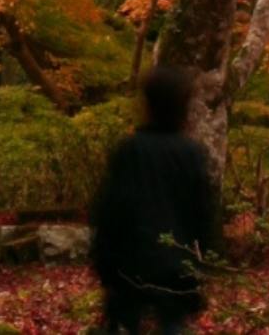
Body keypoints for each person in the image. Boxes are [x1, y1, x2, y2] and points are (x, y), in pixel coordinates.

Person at [89, 66, 217, 335]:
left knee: (125, 326)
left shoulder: (130, 150)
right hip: (176, 265)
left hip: (130, 264)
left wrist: (103, 261)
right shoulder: (191, 154)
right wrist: (203, 263)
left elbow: (110, 211)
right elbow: (203, 214)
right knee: (172, 326)